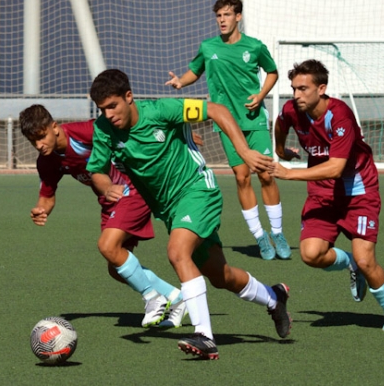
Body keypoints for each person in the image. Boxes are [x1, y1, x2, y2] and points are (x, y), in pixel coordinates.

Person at [87, 69, 291, 360]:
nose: (108, 114)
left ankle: (205, 337)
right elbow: (96, 169)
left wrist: (244, 152)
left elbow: (216, 110)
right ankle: (274, 298)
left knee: (177, 252)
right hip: (171, 209)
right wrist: (106, 186)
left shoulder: (162, 110)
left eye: (112, 106)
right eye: (102, 109)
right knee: (221, 276)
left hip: (197, 190)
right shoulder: (104, 129)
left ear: (129, 97)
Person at [19, 104, 187, 329]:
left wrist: (167, 137)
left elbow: (128, 125)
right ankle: (176, 298)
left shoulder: (84, 132)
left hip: (131, 189)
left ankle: (153, 298)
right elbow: (47, 196)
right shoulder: (46, 161)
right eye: (33, 141)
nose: (39, 145)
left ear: (54, 127)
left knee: (108, 246)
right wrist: (41, 210)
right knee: (116, 267)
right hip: (109, 201)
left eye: (41, 137)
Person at [271, 59, 384, 333]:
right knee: (311, 255)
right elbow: (280, 123)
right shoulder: (292, 109)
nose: (296, 95)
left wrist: (289, 172)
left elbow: (336, 167)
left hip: (358, 193)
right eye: (294, 88)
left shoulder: (340, 115)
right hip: (322, 194)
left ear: (322, 88)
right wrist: (281, 148)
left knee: (367, 260)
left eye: (303, 89)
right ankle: (349, 263)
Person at [165, 0, 290, 261]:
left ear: (238, 17)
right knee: (242, 177)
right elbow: (194, 71)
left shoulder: (254, 47)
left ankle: (277, 232)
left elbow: (273, 71)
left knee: (266, 174)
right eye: (218, 16)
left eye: (226, 15)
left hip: (254, 120)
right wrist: (180, 82)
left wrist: (261, 95)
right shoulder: (208, 47)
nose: (222, 20)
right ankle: (260, 237)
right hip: (226, 124)